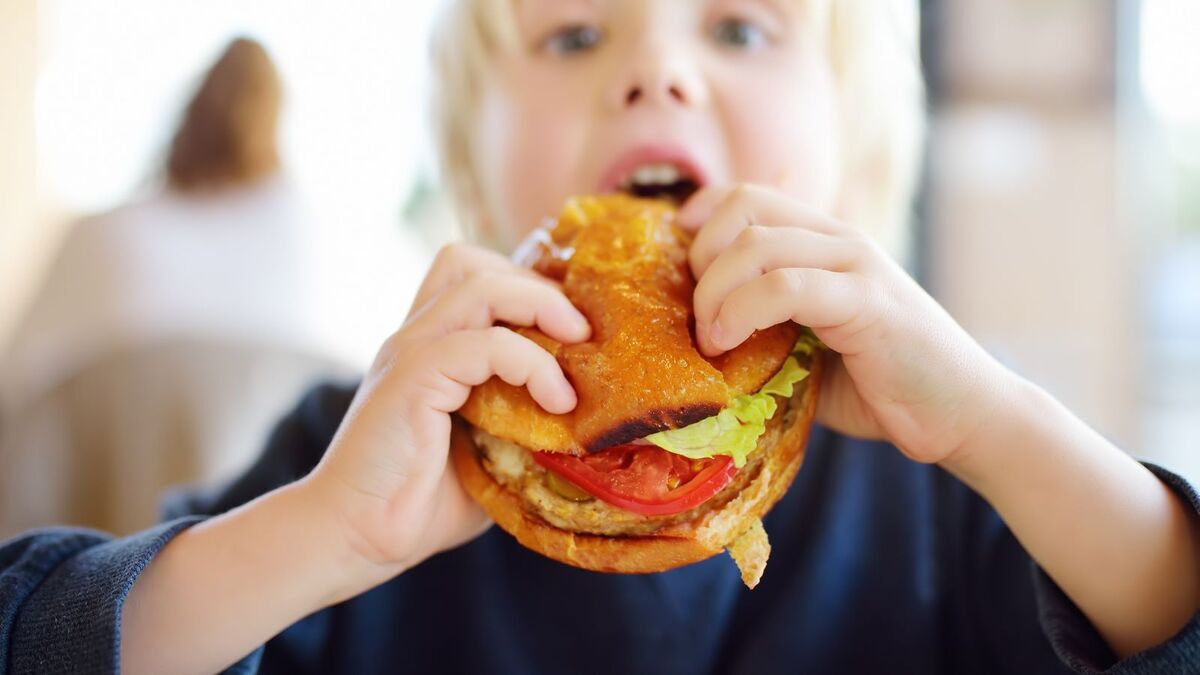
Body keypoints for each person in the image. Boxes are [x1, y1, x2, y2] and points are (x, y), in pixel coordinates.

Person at [2, 2, 1199, 673]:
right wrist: (326, 534)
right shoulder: (358, 456)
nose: (656, 72)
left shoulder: (942, 484)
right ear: (471, 162)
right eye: (574, 36)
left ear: (859, 152)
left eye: (740, 29)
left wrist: (999, 426)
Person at [0, 38, 343, 537]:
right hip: (257, 538)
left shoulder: (103, 236)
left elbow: (14, 380)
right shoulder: (302, 236)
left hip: (87, 539)